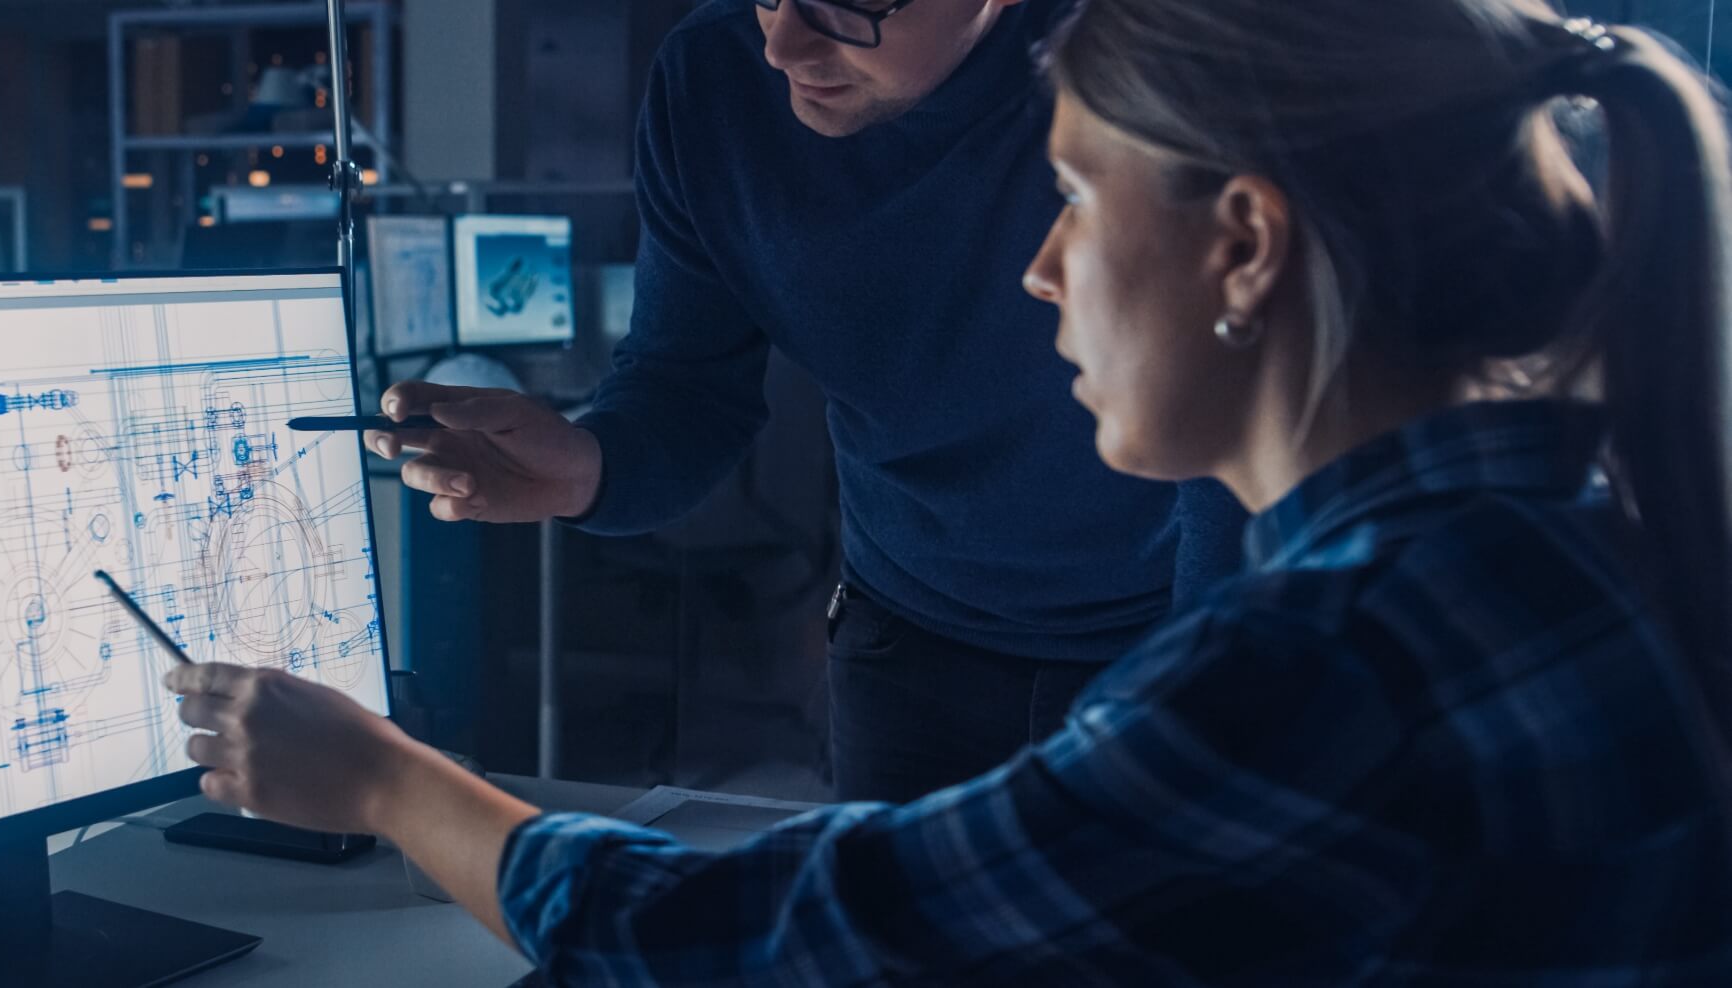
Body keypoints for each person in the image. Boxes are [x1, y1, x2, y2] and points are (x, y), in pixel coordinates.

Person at [173, 0, 1732, 980]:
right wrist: (586, 459)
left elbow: (765, 944)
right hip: (937, 640)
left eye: (1073, 201)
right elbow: (687, 391)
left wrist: (382, 780)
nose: (1041, 275)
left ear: (1248, 245)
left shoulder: (1313, 673)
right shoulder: (1565, 538)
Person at [370, 0, 1247, 804]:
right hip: (906, 636)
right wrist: (591, 468)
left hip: (1167, 629)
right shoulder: (714, 83)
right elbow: (683, 381)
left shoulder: (1150, 67)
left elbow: (1236, 421)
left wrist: (1223, 679)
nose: (782, 43)